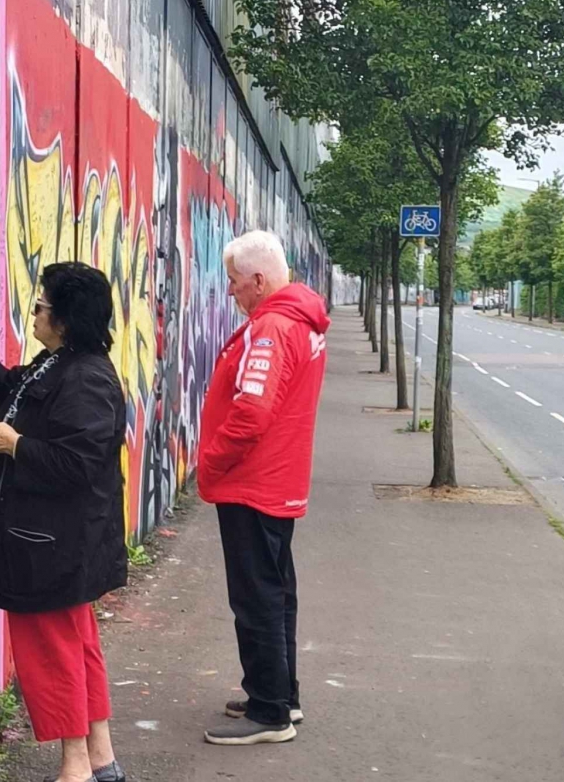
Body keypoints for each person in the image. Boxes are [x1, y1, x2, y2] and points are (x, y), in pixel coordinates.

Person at [0, 263, 130, 782]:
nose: (35, 313)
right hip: (55, 545)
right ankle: (101, 758)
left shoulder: (87, 377)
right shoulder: (63, 364)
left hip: (51, 547)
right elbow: (13, 388)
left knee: (52, 656)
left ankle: (75, 768)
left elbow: (78, 465)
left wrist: (16, 445)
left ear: (67, 319)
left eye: (42, 306)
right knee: (77, 646)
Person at [198, 230, 331, 745]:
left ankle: (269, 713)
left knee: (255, 596)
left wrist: (210, 461)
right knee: (276, 592)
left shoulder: (272, 328)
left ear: (258, 280)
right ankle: (279, 695)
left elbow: (251, 412)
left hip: (251, 483)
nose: (230, 291)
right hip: (278, 481)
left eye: (234, 282)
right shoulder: (302, 321)